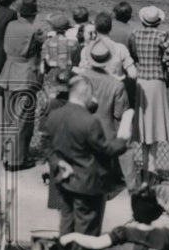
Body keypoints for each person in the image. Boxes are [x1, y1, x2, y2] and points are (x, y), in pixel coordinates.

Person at [43, 75, 128, 236]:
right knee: (86, 232)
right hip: (87, 184)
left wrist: (57, 163)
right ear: (87, 93)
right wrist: (123, 138)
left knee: (66, 225)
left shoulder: (54, 115)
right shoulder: (90, 122)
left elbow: (47, 147)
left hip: (63, 181)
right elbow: (106, 149)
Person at [127, 6, 169, 183]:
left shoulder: (135, 34)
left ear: (143, 20)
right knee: (155, 124)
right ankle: (152, 168)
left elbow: (133, 55)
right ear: (157, 22)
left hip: (141, 79)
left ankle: (144, 167)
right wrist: (162, 60)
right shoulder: (161, 35)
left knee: (143, 124)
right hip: (156, 81)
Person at [0, 0, 45, 170]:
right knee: (22, 120)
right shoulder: (35, 29)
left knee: (9, 117)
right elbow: (42, 44)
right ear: (33, 14)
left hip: (9, 71)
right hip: (25, 74)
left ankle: (6, 154)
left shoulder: (11, 25)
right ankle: (16, 160)